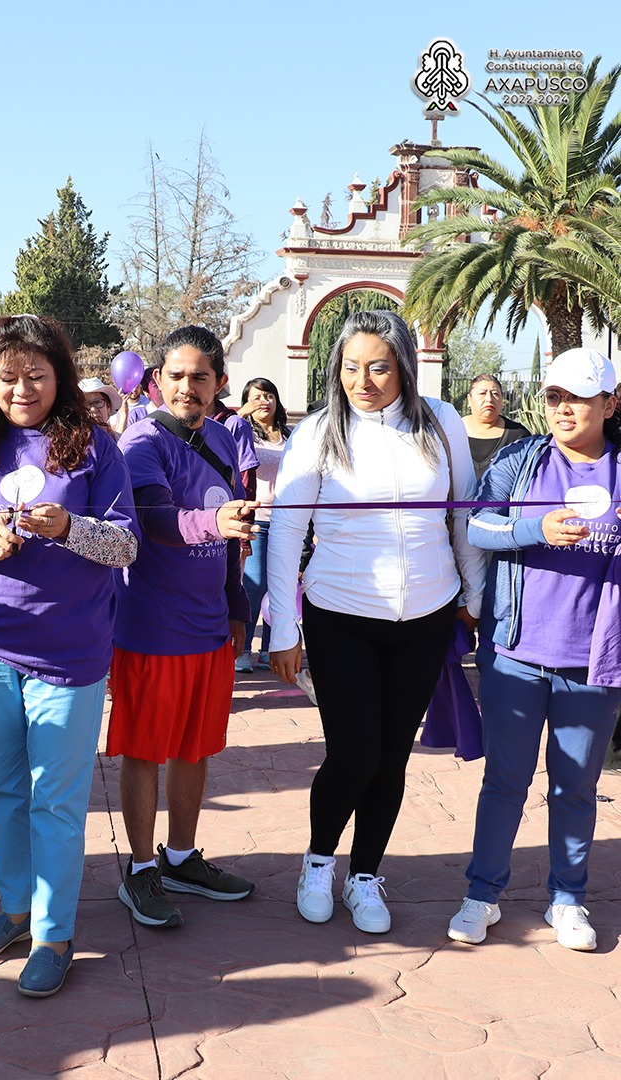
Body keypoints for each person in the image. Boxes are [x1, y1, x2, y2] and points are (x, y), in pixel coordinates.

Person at [0, 314, 138, 997]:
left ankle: (54, 933)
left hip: (70, 651)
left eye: (36, 376)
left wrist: (71, 527)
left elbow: (126, 545)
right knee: (6, 787)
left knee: (57, 799)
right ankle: (16, 910)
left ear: (60, 378)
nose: (21, 389)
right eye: (7, 377)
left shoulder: (94, 448)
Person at [267, 309, 485, 934]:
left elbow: (462, 514)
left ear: (405, 367)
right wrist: (285, 630)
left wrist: (472, 592)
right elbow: (285, 535)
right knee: (354, 752)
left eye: (379, 367)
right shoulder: (314, 434)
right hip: (340, 616)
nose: (363, 380)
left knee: (391, 758)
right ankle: (317, 860)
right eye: (351, 367)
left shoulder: (440, 423)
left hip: (426, 613)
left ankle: (365, 875)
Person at [447, 348, 621, 952]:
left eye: (577, 397)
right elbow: (476, 526)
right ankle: (482, 895)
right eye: (553, 396)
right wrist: (535, 527)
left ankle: (567, 900)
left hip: (595, 660)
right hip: (514, 651)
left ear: (609, 403)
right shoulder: (518, 461)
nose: (563, 408)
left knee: (575, 786)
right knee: (505, 781)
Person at [109, 324, 260, 930]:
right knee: (145, 751)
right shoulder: (141, 445)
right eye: (176, 375)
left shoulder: (223, 440)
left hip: (208, 630)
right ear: (155, 381)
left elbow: (232, 539)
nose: (188, 387)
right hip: (150, 629)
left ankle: (179, 857)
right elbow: (157, 520)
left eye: (201, 377)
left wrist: (237, 608)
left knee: (195, 749)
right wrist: (213, 525)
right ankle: (140, 869)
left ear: (220, 384)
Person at [235, 377, 291, 672]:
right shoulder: (243, 433)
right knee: (253, 587)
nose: (263, 401)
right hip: (256, 520)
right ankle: (243, 650)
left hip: (286, 520)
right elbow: (223, 440)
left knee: (279, 586)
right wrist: (241, 414)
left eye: (268, 395)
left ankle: (271, 648)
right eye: (256, 396)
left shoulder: (290, 436)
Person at [462, 372, 531, 480]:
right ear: (469, 399)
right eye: (482, 393)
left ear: (502, 400)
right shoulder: (452, 431)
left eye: (495, 394)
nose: (489, 399)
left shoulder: (518, 435)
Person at [80, 376, 122, 441]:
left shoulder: (122, 442)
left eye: (97, 402)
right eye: (86, 404)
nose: (93, 409)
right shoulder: (74, 446)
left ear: (108, 407)